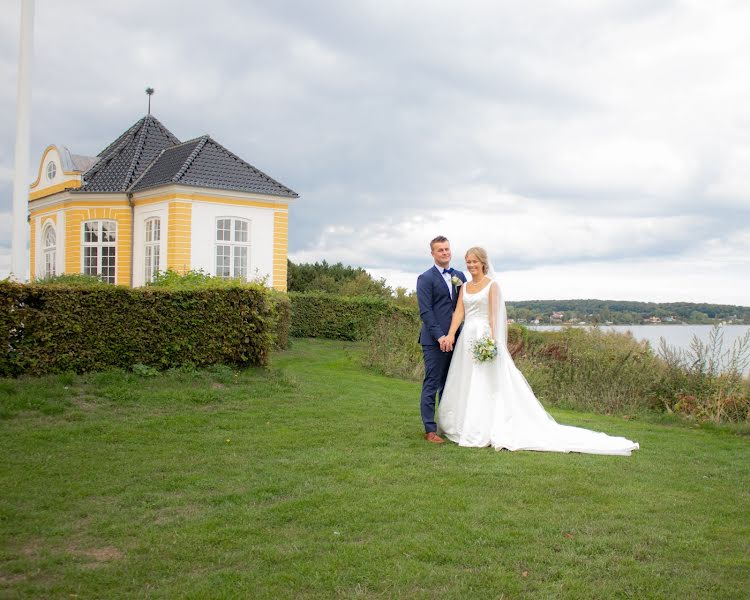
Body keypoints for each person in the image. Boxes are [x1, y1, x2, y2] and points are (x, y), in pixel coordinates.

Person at [437, 247, 639, 455]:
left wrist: (493, 342)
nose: (471, 265)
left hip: (484, 337)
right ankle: (461, 425)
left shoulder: (492, 286)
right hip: (466, 338)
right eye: (468, 262)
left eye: (474, 261)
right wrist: (451, 334)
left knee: (484, 381)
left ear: (482, 263)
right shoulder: (465, 287)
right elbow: (459, 313)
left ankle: (481, 428)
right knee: (465, 379)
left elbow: (494, 316)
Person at [416, 236, 467, 443]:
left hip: (457, 338)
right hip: (433, 340)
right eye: (440, 250)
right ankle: (430, 430)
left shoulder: (459, 276)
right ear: (433, 254)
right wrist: (441, 336)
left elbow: (461, 307)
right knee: (432, 383)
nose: (445, 253)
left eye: (447, 249)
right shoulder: (425, 278)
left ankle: (448, 425)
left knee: (451, 383)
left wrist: (453, 335)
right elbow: (426, 312)